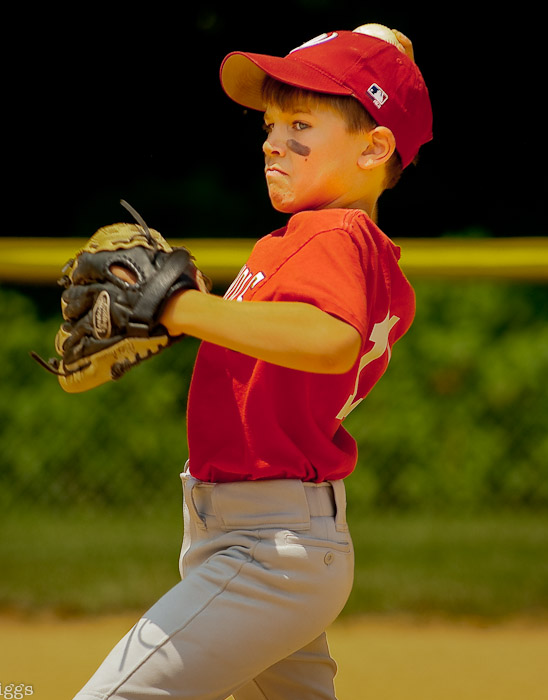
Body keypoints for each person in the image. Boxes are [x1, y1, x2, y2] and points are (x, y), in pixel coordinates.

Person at [74, 23, 432, 700]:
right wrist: (199, 307)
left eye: (302, 124)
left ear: (375, 147)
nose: (273, 140)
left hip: (269, 550)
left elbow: (330, 340)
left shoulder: (333, 232)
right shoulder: (344, 241)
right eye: (270, 123)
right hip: (273, 538)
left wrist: (177, 309)